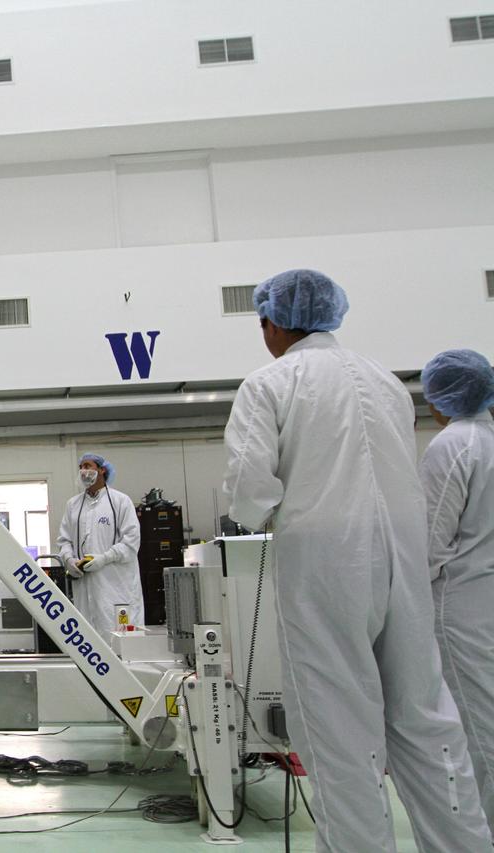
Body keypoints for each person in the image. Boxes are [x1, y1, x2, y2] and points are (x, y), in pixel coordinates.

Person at [222, 269, 490, 852]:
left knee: (340, 729)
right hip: (404, 562)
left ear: (273, 323)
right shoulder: (386, 382)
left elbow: (247, 486)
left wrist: (263, 513)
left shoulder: (271, 383)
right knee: (426, 722)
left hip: (326, 565)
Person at [419, 348, 494, 836]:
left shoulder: (454, 445)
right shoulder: (489, 440)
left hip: (463, 607)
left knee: (478, 730)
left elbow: (428, 540)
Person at [55, 453, 143, 631]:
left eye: (88, 466)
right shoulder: (73, 504)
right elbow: (64, 539)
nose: (83, 471)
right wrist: (68, 560)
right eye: (81, 467)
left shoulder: (120, 501)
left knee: (118, 635)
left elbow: (131, 542)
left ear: (102, 470)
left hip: (116, 585)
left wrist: (104, 558)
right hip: (84, 587)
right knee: (89, 635)